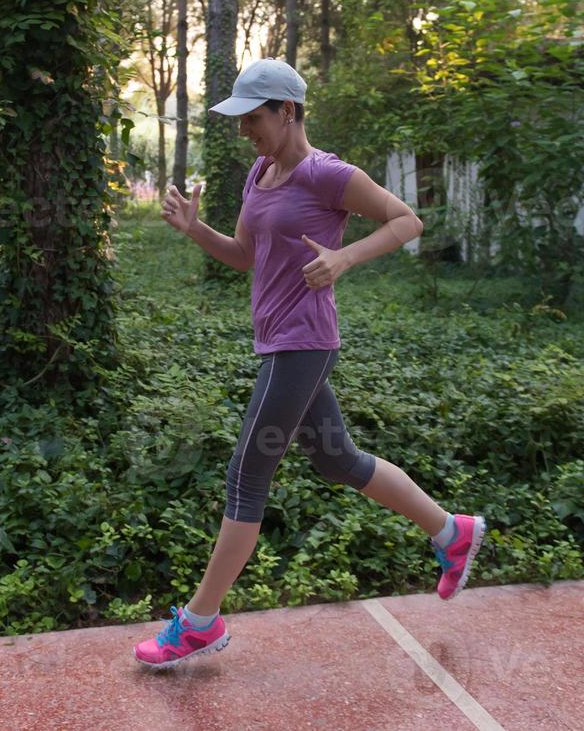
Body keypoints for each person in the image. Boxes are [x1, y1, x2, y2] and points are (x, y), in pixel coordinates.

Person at [133, 58, 487, 670]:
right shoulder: (259, 173)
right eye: (240, 119)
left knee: (249, 469)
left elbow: (408, 220)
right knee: (335, 458)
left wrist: (343, 259)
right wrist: (196, 230)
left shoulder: (328, 174)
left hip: (304, 340)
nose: (245, 130)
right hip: (276, 340)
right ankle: (451, 531)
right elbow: (244, 255)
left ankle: (199, 623)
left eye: (253, 117)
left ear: (287, 111)